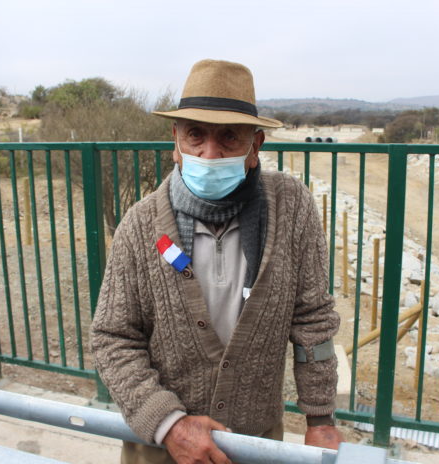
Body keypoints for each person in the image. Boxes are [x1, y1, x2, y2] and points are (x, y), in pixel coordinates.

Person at [91, 59, 343, 464]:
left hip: (256, 444)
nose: (209, 152)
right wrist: (169, 423)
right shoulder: (140, 226)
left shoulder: (292, 207)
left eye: (228, 137)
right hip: (159, 448)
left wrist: (321, 419)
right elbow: (112, 337)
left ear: (255, 146)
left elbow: (312, 319)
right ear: (175, 141)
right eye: (195, 135)